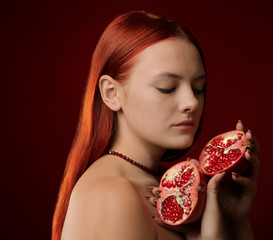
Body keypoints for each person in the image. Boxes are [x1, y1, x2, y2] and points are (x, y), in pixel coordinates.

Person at [52, 10, 260, 240]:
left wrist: (234, 223)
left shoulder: (157, 186)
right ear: (112, 94)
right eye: (167, 87)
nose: (191, 102)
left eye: (199, 88)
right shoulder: (113, 195)